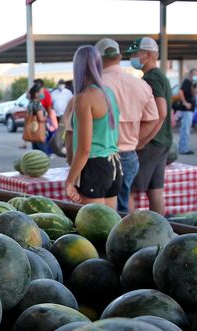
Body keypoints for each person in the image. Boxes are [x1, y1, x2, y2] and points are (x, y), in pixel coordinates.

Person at [95, 37, 159, 213]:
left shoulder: (94, 85)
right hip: (129, 155)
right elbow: (153, 118)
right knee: (122, 204)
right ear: (119, 56)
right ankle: (122, 238)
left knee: (100, 213)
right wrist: (137, 142)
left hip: (101, 156)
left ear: (97, 59)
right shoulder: (140, 84)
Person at [64, 45, 122, 208]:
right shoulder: (109, 93)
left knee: (91, 228)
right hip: (114, 165)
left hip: (93, 166)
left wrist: (69, 181)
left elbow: (84, 149)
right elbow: (118, 135)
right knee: (110, 227)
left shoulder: (84, 98)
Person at [126, 37, 171, 216]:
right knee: (155, 190)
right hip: (163, 141)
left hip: (152, 142)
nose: (134, 57)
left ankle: (129, 230)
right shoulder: (160, 76)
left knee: (128, 189)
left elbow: (161, 112)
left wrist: (142, 140)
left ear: (150, 55)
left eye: (137, 53)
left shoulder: (152, 78)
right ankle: (160, 228)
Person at [176, 68, 197, 155]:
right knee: (185, 129)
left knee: (186, 128)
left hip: (190, 109)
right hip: (187, 109)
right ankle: (183, 148)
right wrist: (185, 102)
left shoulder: (192, 83)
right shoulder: (187, 81)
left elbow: (193, 94)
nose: (196, 76)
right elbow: (180, 91)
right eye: (194, 74)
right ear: (190, 74)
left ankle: (183, 147)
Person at [26, 84, 51, 154]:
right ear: (36, 94)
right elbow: (41, 118)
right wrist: (47, 117)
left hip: (33, 132)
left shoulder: (30, 103)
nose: (43, 94)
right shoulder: (37, 105)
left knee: (36, 154)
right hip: (40, 133)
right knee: (44, 155)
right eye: (42, 92)